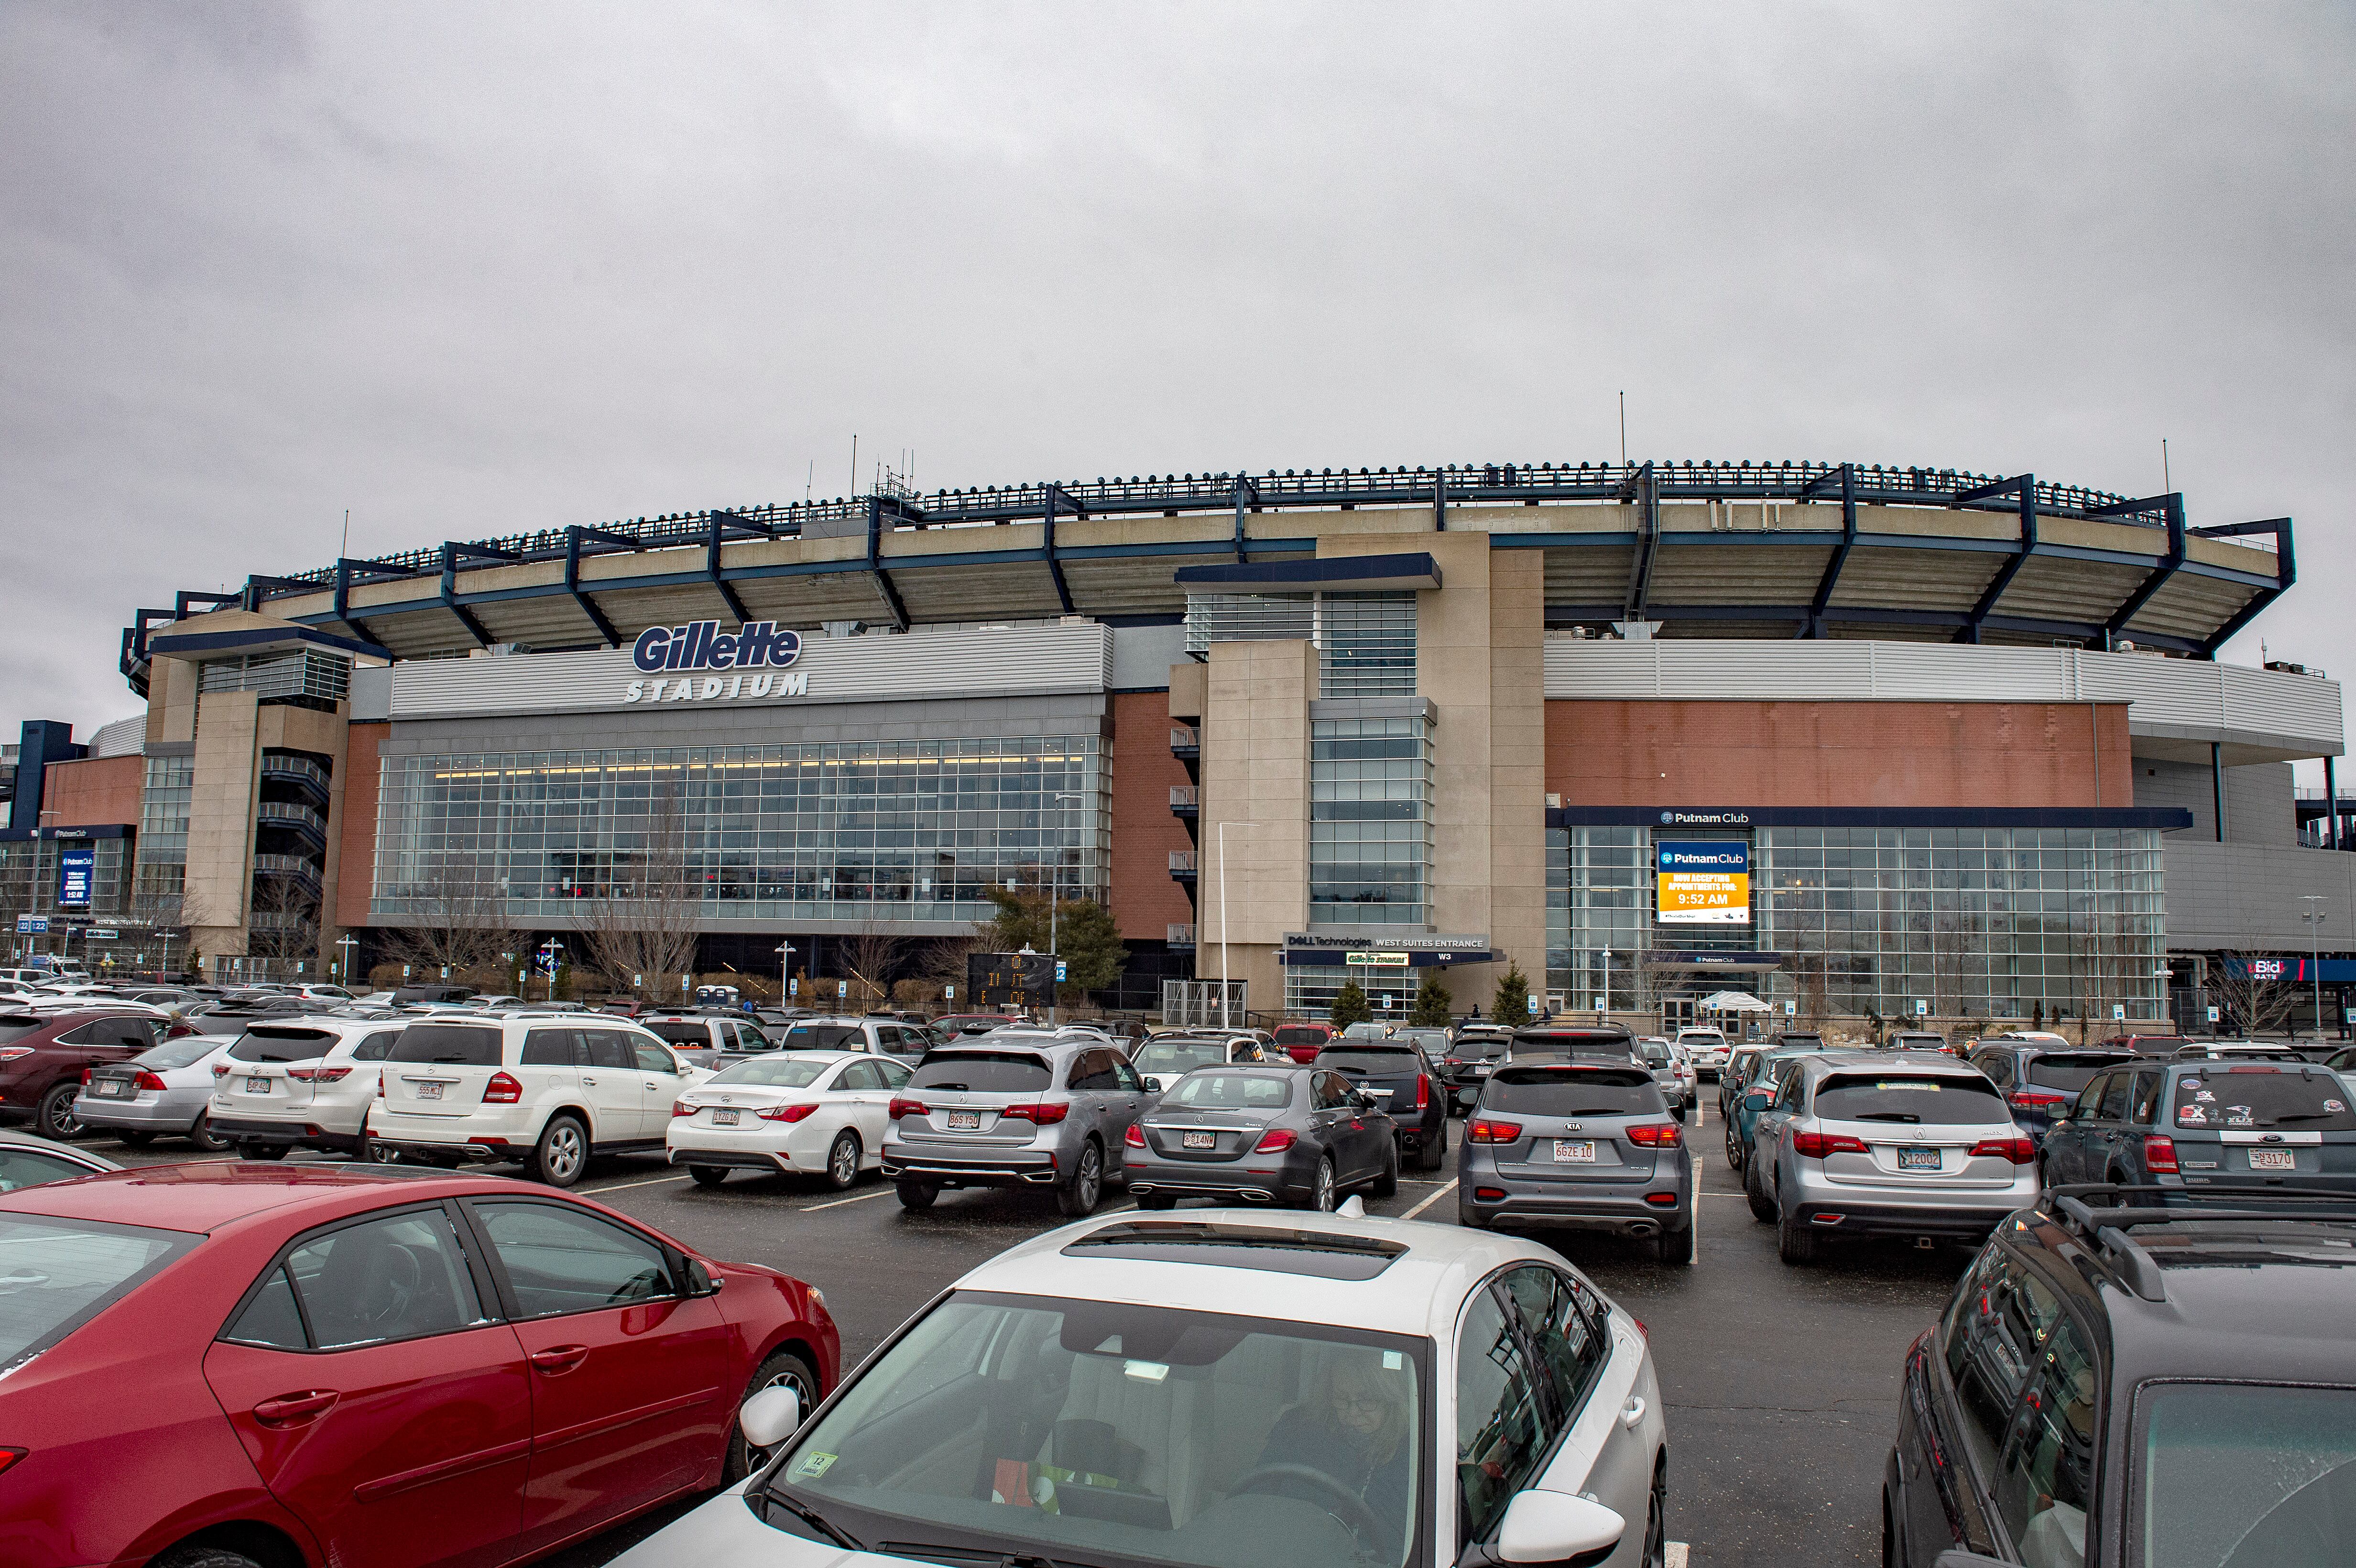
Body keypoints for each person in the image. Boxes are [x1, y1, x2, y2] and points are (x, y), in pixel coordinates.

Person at [1252, 1350, 1414, 1546]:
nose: (1353, 1413)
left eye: (1367, 1401)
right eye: (1342, 1399)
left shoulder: (1413, 1456)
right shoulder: (1296, 1431)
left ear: (1392, 1401)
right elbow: (1252, 1503)